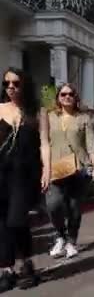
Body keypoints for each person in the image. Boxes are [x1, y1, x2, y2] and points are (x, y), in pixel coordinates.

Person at [0, 69, 50, 291]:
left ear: (25, 84)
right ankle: (6, 269)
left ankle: (26, 263)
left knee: (16, 221)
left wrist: (47, 170)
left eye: (16, 83)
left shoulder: (38, 112)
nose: (10, 87)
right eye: (6, 83)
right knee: (1, 223)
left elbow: (45, 143)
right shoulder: (0, 109)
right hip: (1, 173)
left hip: (24, 175)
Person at [47, 83, 94, 260]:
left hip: (79, 169)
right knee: (53, 205)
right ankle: (60, 236)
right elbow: (44, 144)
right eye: (63, 94)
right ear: (58, 98)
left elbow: (91, 144)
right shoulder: (50, 117)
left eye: (70, 94)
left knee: (74, 208)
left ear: (75, 97)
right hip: (56, 169)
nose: (67, 97)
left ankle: (71, 241)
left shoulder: (83, 118)